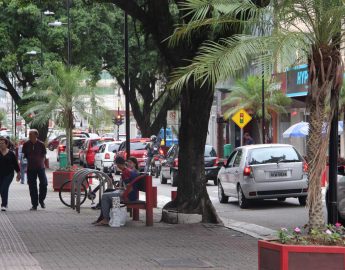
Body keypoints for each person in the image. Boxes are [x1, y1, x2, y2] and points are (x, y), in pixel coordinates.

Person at [94, 156, 139, 226]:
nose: (117, 166)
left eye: (117, 165)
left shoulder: (126, 172)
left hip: (129, 195)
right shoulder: (127, 171)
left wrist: (122, 193)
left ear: (119, 164)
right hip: (130, 194)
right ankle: (114, 217)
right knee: (108, 194)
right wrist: (120, 189)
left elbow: (129, 188)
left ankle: (106, 219)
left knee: (105, 196)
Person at [22, 129, 48, 210]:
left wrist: (41, 162)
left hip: (40, 167)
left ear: (36, 135)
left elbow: (44, 154)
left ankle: (41, 200)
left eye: (31, 134)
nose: (29, 136)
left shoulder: (41, 144)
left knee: (44, 183)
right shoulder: (26, 144)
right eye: (29, 134)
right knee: (32, 187)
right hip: (31, 168)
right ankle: (34, 204)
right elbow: (24, 155)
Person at [0, 136, 20, 211]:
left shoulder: (11, 153)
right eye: (0, 143)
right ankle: (4, 203)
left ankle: (4, 205)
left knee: (4, 188)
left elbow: (15, 164)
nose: (1, 145)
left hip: (9, 174)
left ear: (6, 144)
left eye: (2, 143)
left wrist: (18, 173)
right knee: (2, 189)